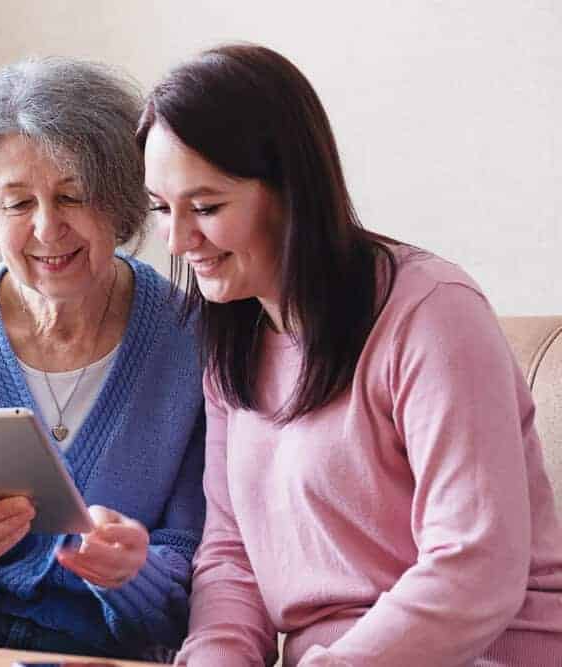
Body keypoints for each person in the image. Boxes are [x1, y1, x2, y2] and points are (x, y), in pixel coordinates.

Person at [138, 43, 562, 666]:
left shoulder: (432, 312)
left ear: (291, 191)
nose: (177, 240)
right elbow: (232, 559)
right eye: (161, 208)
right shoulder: (234, 343)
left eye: (206, 207)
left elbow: (475, 564)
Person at [0, 57, 205, 660]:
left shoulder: (189, 339)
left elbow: (211, 575)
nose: (48, 229)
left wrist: (136, 574)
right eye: (18, 203)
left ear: (121, 200)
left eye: (73, 196)